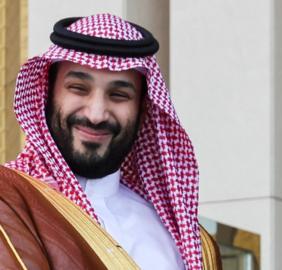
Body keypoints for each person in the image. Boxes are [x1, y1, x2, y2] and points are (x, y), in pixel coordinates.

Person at [5, 13, 203, 269]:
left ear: (143, 110)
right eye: (78, 88)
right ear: (46, 95)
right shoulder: (9, 202)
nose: (96, 114)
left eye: (119, 95)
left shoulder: (178, 238)